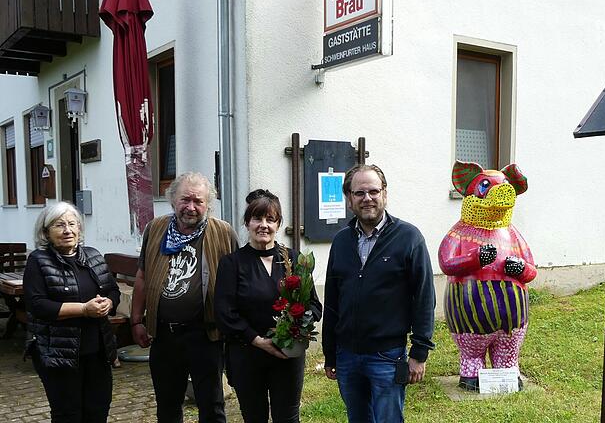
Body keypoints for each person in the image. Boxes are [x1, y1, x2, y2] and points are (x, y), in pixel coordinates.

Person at [322, 164, 436, 422]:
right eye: (359, 193)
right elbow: (332, 301)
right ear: (349, 198)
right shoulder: (341, 241)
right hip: (347, 356)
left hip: (387, 355)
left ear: (384, 193)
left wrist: (419, 353)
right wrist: (331, 353)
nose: (367, 199)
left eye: (374, 191)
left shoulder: (409, 238)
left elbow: (424, 298)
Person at [130, 172, 239, 423]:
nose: (191, 207)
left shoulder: (223, 233)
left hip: (205, 335)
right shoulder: (156, 229)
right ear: (172, 200)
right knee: (167, 405)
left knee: (211, 406)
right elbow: (143, 277)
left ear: (208, 204)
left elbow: (237, 281)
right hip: (164, 335)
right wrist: (137, 321)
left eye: (198, 201)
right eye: (185, 199)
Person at [215, 189, 322, 423]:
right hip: (247, 354)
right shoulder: (232, 264)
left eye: (271, 219)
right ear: (247, 223)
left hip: (287, 356)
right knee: (255, 417)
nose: (264, 225)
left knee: (288, 417)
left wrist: (299, 325)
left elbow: (314, 305)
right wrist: (258, 341)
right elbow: (224, 313)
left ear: (278, 224)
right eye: (257, 218)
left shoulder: (293, 259)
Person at [24, 201, 121, 422]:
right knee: (68, 415)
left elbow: (112, 290)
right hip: (59, 354)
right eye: (59, 225)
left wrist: (108, 303)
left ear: (79, 228)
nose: (67, 230)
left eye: (72, 224)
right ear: (46, 232)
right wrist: (84, 309)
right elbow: (38, 305)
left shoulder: (93, 255)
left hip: (98, 351)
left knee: (98, 411)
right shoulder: (38, 261)